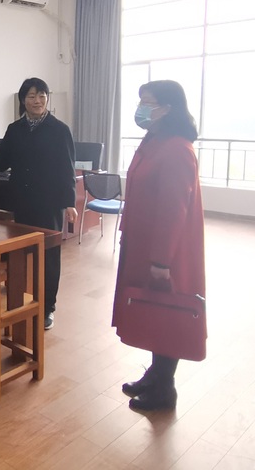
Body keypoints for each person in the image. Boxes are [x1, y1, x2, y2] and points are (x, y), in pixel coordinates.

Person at [113, 80, 206, 412]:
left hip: (166, 252)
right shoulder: (154, 140)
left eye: (147, 102)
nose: (141, 109)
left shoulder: (178, 148)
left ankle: (165, 388)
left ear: (167, 108)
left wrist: (161, 261)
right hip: (145, 245)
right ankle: (155, 375)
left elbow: (172, 210)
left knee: (168, 313)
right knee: (153, 309)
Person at [0, 77, 77, 330]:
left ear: (47, 99)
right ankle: (18, 301)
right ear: (23, 100)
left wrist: (69, 202)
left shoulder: (59, 130)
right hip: (21, 200)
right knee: (18, 253)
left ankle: (47, 307)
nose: (37, 101)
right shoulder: (15, 129)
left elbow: (67, 169)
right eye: (31, 96)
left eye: (41, 95)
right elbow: (2, 163)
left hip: (49, 203)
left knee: (49, 257)